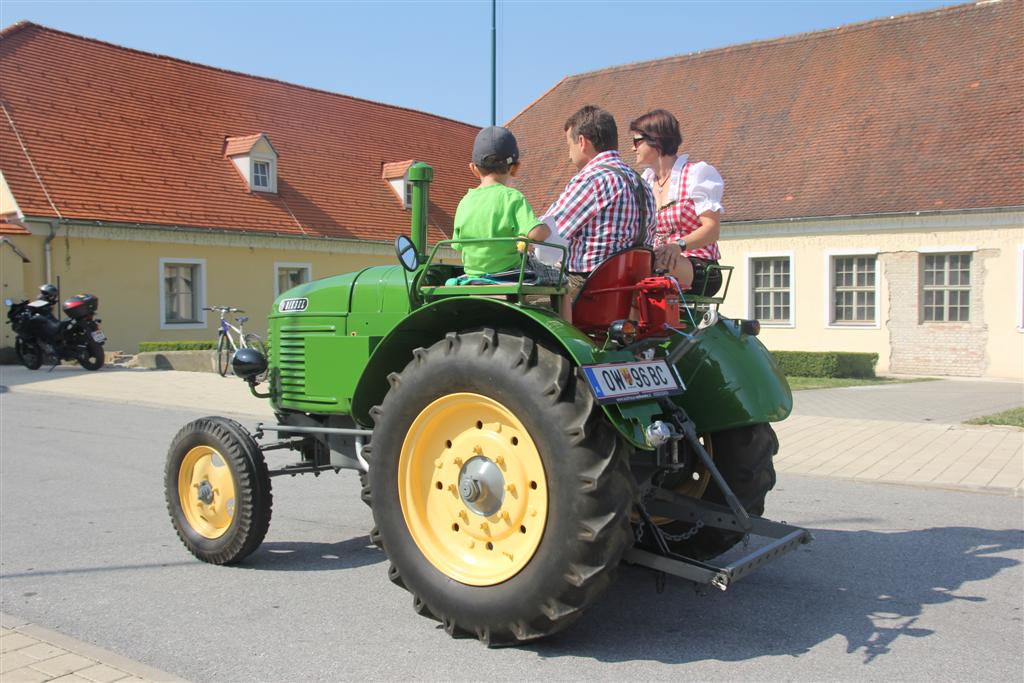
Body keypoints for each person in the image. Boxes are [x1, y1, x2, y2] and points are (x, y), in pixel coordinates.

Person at [539, 105, 657, 319]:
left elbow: (546, 232)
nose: (568, 155)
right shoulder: (643, 184)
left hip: (587, 291)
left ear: (582, 142)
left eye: (569, 145)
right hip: (628, 298)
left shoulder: (593, 179)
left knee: (511, 299)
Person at [630, 109, 724, 296]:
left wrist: (678, 245)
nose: (633, 148)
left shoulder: (696, 174)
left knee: (651, 264)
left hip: (699, 266)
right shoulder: (645, 181)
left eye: (637, 141)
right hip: (658, 261)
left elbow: (712, 229)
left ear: (655, 140)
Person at [451, 126, 550, 279]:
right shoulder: (512, 198)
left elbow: (457, 246)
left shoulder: (464, 202)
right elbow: (537, 234)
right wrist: (546, 229)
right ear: (515, 168)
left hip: (472, 278)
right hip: (508, 276)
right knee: (561, 281)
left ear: (473, 168)